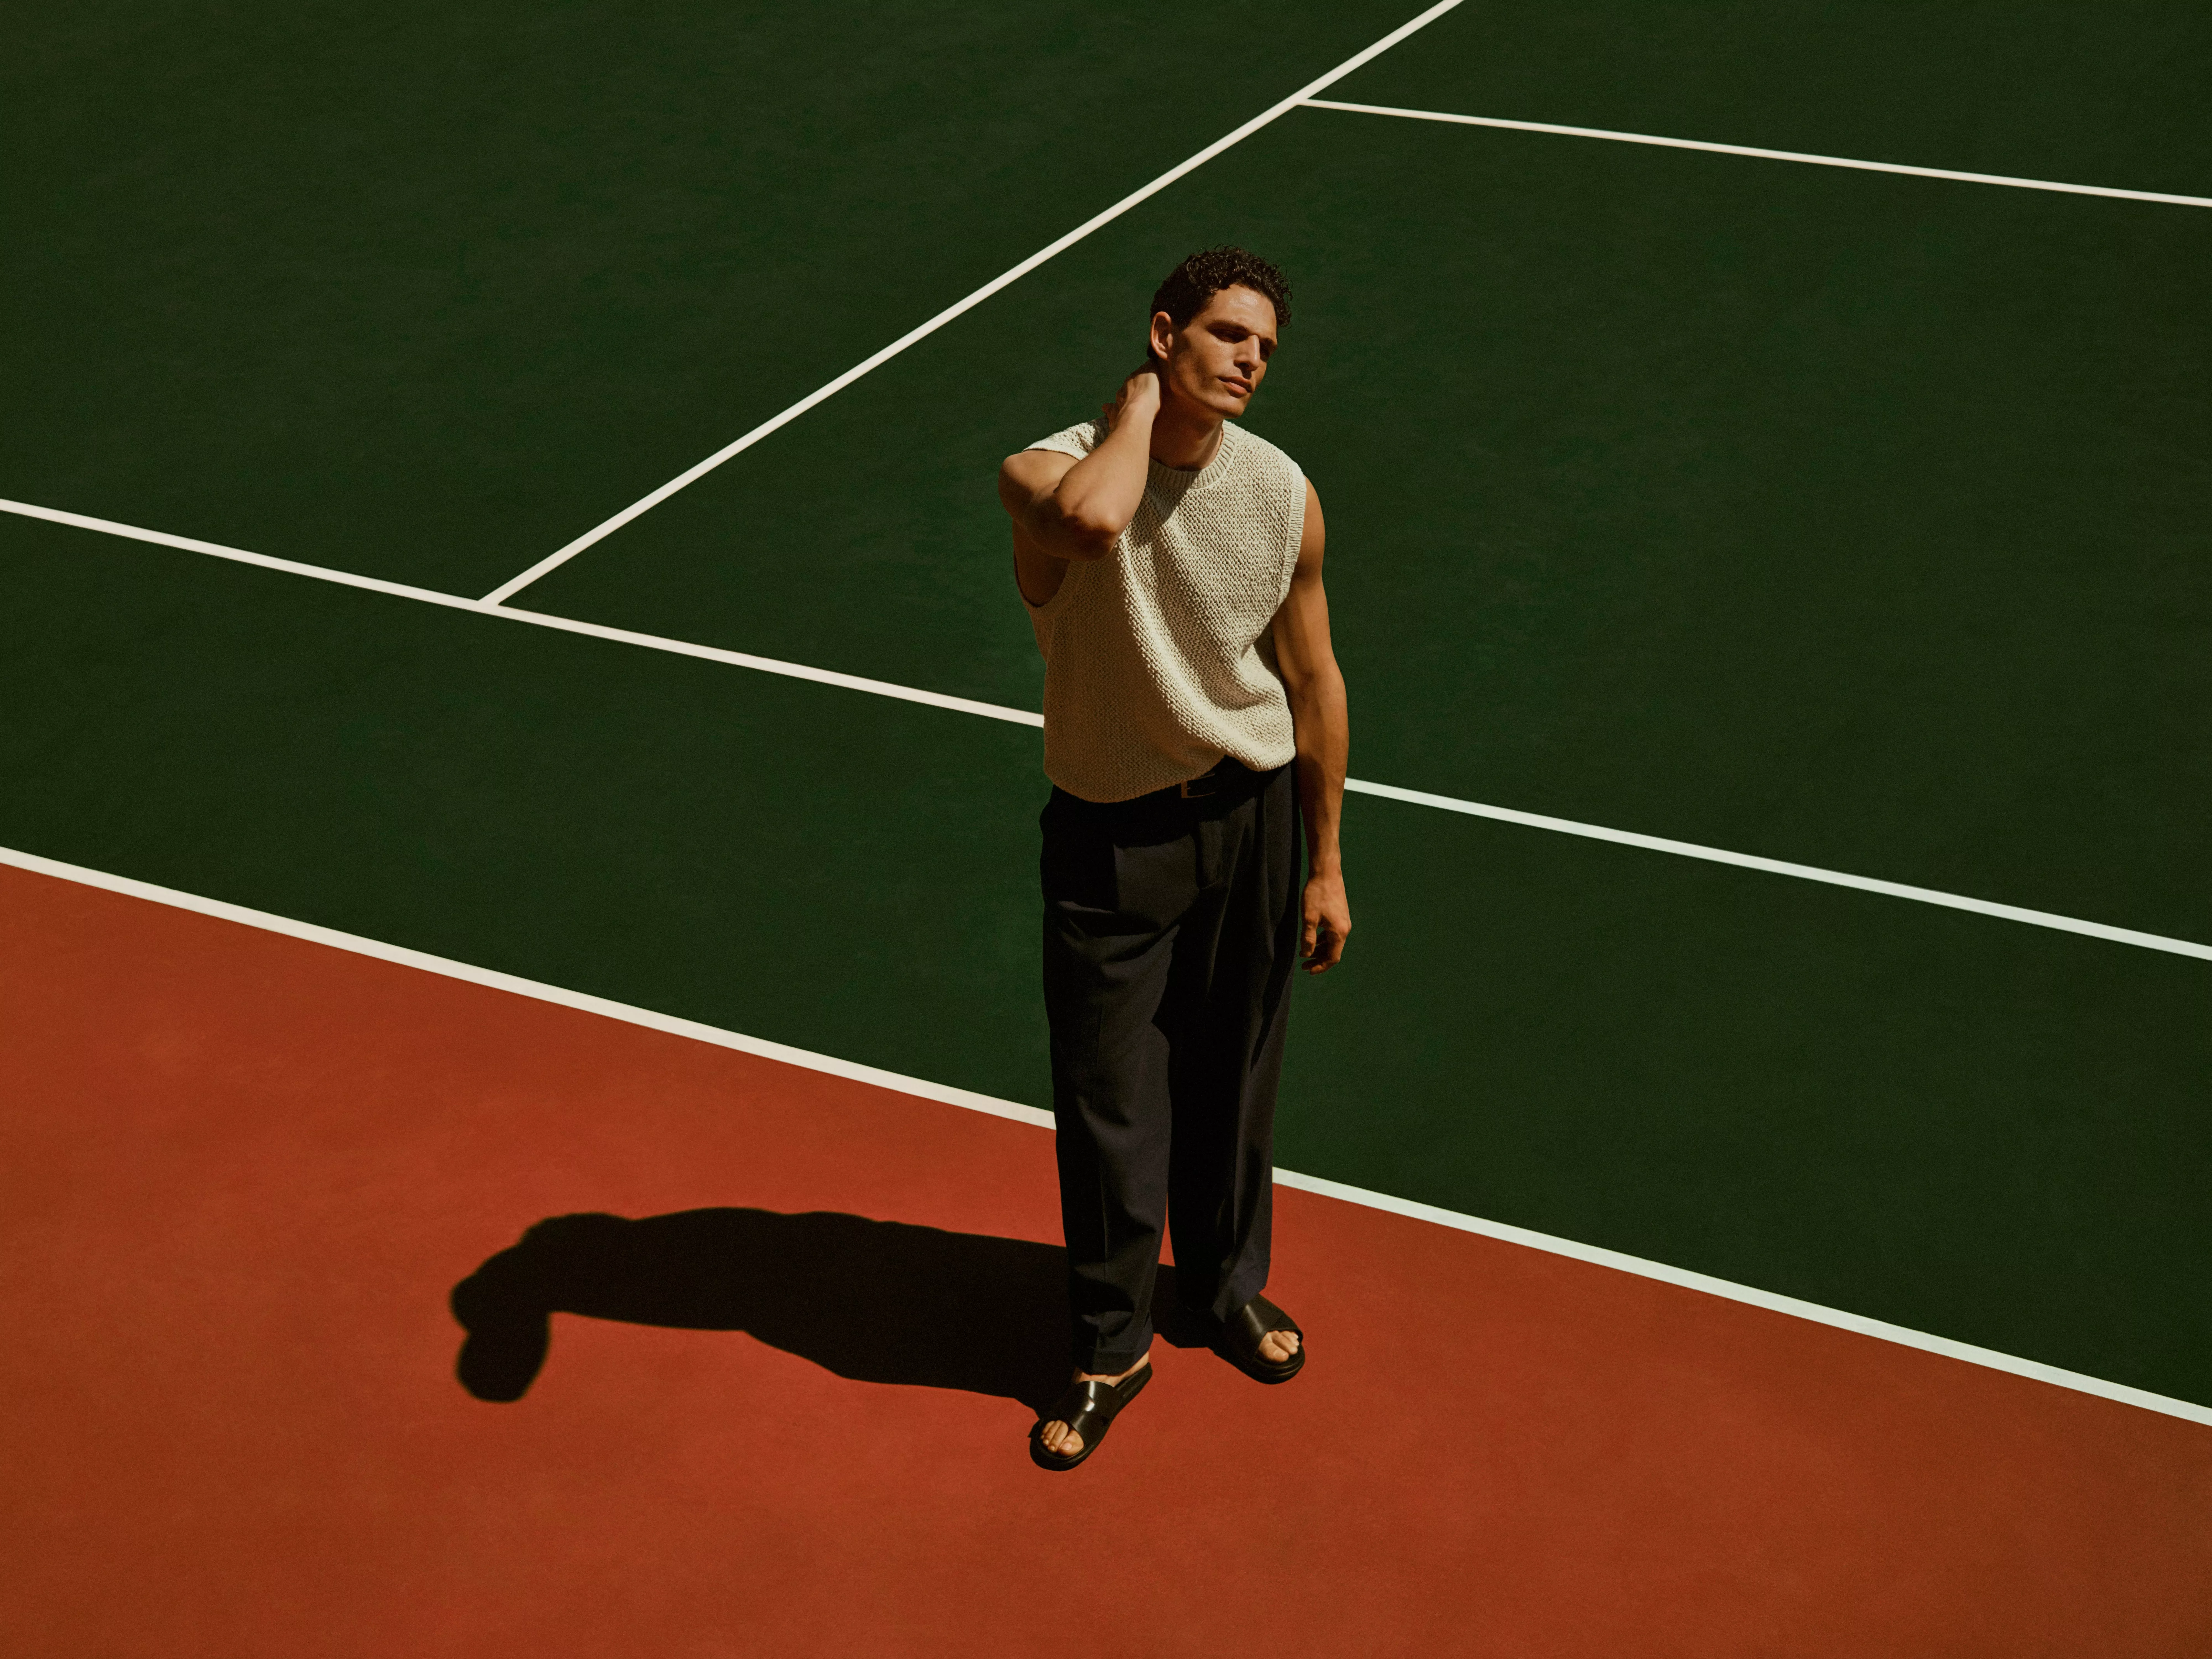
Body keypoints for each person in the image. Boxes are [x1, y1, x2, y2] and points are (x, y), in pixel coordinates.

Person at [995, 246, 1351, 1470]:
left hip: (1249, 820)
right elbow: (1096, 528)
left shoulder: (1283, 491)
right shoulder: (1042, 475)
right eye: (1226, 336)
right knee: (1107, 1104)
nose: (1252, 359)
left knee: (1232, 1077)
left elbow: (1311, 680)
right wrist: (1140, 413)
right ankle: (1108, 1346)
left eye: (1264, 344)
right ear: (1164, 335)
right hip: (1111, 835)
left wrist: (1323, 862)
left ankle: (1217, 1285)